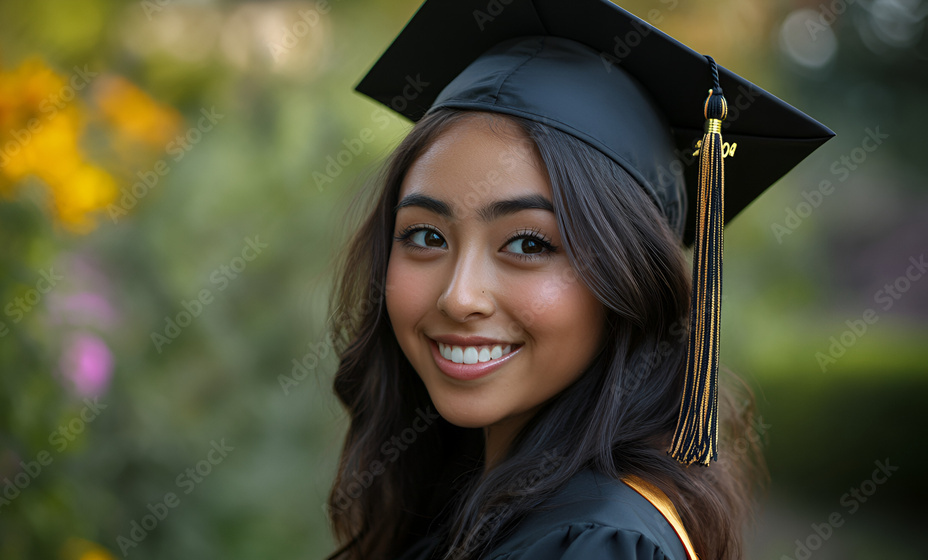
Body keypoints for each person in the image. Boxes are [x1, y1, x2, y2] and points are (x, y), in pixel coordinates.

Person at [323, 1, 834, 559]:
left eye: (528, 243)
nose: (459, 296)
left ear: (630, 284)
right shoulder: (479, 506)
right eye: (426, 237)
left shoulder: (593, 545)